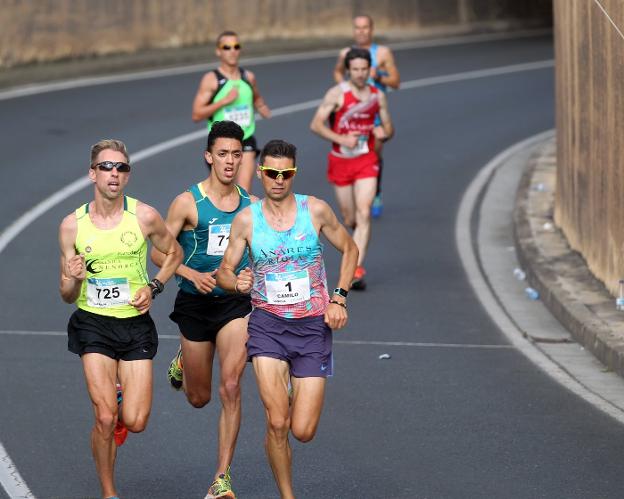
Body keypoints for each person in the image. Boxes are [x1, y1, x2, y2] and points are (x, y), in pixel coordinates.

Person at [216, 139, 358, 499]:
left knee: (303, 430)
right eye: (272, 173)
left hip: (312, 327)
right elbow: (225, 272)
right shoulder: (247, 220)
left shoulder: (316, 211)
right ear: (261, 173)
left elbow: (350, 248)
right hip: (268, 326)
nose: (278, 180)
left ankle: (293, 387)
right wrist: (237, 281)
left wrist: (339, 297)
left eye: (286, 174)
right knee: (277, 422)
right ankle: (287, 494)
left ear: (294, 173)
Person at [58, 139, 182, 499]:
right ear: (92, 173)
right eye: (107, 167)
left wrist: (154, 286)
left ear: (127, 175)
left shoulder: (143, 216)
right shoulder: (72, 226)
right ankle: (109, 492)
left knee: (135, 422)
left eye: (121, 168)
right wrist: (74, 277)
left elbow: (173, 251)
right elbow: (66, 294)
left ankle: (119, 399)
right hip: (92, 322)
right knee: (105, 418)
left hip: (134, 324)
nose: (114, 174)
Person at [151, 120, 255, 499]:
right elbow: (157, 251)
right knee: (200, 398)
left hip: (235, 305)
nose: (230, 162)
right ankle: (184, 358)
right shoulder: (187, 203)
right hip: (194, 303)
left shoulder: (250, 206)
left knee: (231, 385)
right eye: (223, 154)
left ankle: (222, 478)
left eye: (236, 155)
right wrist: (191, 273)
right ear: (209, 156)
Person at [311, 47, 394, 290]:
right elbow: (315, 125)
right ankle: (356, 243)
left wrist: (384, 134)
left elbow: (389, 128)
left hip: (366, 159)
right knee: (349, 217)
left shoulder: (377, 96)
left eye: (363, 69)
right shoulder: (337, 94)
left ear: (370, 70)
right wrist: (340, 137)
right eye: (355, 69)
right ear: (348, 70)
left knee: (364, 212)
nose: (359, 74)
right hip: (341, 160)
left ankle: (355, 267)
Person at [333, 14, 400, 218]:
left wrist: (378, 75)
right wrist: (343, 89)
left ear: (372, 29)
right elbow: (337, 72)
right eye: (357, 28)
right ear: (353, 30)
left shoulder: (382, 53)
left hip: (375, 114)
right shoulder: (346, 53)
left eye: (365, 27)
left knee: (373, 154)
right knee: (352, 153)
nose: (361, 31)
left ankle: (375, 192)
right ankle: (359, 195)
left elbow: (396, 82)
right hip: (352, 114)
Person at [192, 30, 272, 193]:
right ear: (218, 51)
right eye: (227, 47)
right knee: (224, 191)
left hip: (246, 139)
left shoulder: (248, 77)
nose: (232, 51)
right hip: (220, 142)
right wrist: (224, 101)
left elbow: (256, 97)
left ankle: (241, 215)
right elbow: (197, 114)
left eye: (236, 46)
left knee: (243, 191)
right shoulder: (212, 80)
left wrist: (262, 107)